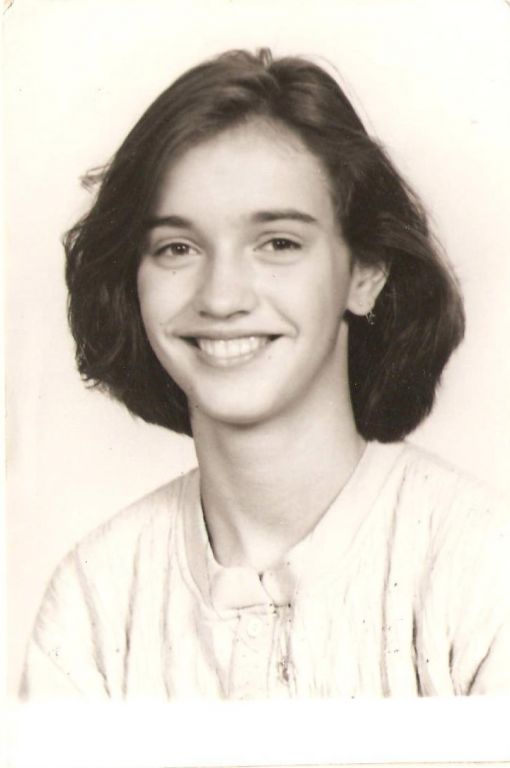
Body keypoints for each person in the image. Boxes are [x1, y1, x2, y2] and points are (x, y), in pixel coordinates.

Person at [21, 48, 510, 699]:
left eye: (278, 243)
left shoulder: (483, 567)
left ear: (365, 271)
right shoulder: (93, 602)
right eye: (177, 248)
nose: (222, 297)